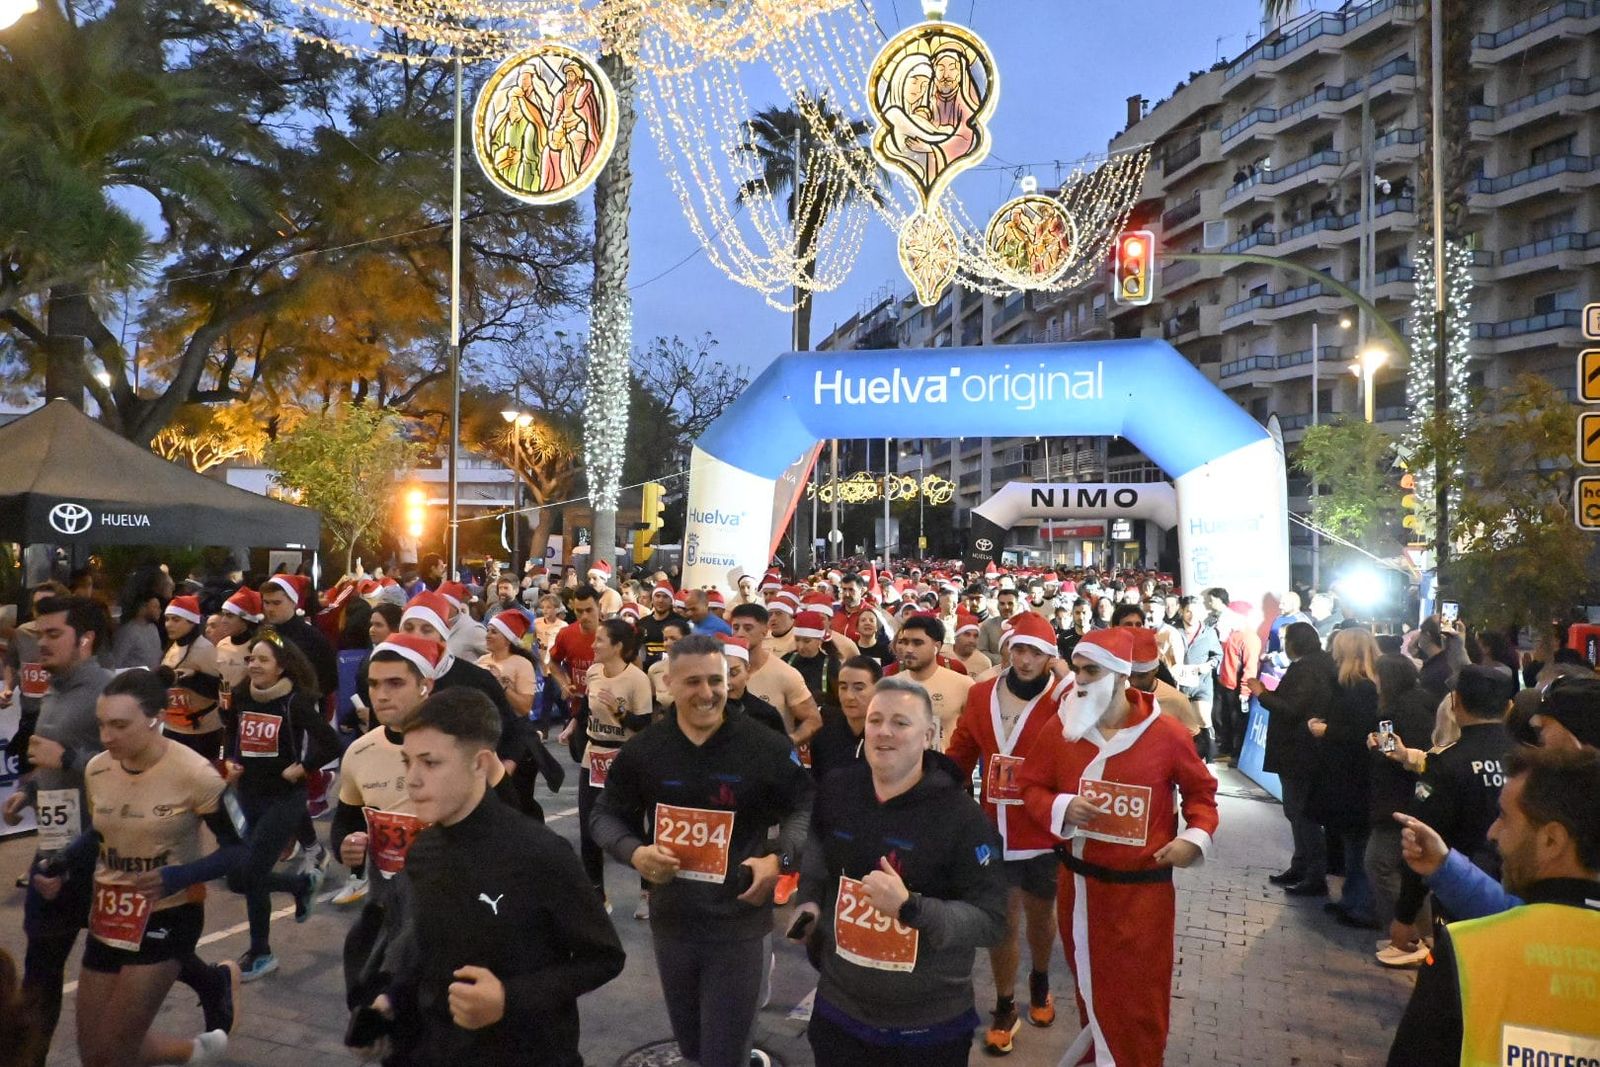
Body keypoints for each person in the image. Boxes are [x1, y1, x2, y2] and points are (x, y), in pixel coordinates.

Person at [368, 689, 625, 1066]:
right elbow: (423, 947)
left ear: (480, 764)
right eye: (407, 762)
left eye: (430, 763)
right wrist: (390, 1001)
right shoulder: (423, 851)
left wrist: (508, 997)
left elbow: (603, 958)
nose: (413, 780)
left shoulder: (540, 853)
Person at [590, 635, 814, 1067]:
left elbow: (806, 807)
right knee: (692, 1047)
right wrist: (635, 853)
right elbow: (605, 816)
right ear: (668, 683)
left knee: (723, 1053)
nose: (707, 692)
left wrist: (779, 859)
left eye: (716, 680)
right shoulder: (645, 750)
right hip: (672, 924)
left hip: (739, 924)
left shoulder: (765, 746)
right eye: (693, 682)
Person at [1018, 628, 1219, 1067]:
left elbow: (1202, 794)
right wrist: (1062, 807)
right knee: (1091, 991)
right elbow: (1030, 785)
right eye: (1077, 669)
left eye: (1092, 671)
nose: (1080, 680)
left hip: (1143, 896)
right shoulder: (1062, 728)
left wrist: (1194, 838)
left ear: (1120, 676)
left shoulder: (1166, 733)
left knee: (1140, 997)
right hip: (1079, 890)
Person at [791, 677, 1008, 1066]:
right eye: (875, 721)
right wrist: (809, 902)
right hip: (839, 1013)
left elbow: (991, 922)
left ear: (929, 736)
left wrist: (911, 908)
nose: (884, 732)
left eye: (900, 723)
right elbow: (818, 860)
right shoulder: (837, 790)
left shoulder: (962, 818)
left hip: (926, 1028)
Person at [46, 670, 248, 1067]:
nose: (106, 737)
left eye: (120, 725)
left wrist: (178, 876)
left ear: (157, 718)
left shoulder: (197, 774)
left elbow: (239, 851)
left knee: (115, 1049)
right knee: (94, 1053)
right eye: (102, 724)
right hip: (109, 915)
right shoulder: (98, 769)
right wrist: (62, 863)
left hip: (168, 916)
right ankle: (197, 1052)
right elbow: (101, 832)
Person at [1386, 747, 1600, 1065]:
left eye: (1504, 817)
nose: (1493, 832)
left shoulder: (1466, 952)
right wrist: (1445, 866)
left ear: (1551, 841)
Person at [944, 612, 1066, 1056]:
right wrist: (935, 788)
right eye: (1019, 649)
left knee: (1041, 917)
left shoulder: (1064, 698)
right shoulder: (981, 694)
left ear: (1050, 657)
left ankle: (1040, 978)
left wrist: (1067, 675)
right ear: (1007, 650)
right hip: (994, 826)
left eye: (1036, 652)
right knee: (1004, 920)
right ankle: (1004, 1003)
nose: (1026, 660)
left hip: (1043, 828)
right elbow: (962, 750)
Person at [2, 596, 116, 1067]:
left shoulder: (108, 693)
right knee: (41, 969)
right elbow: (51, 761)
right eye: (39, 634)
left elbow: (129, 768)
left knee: (131, 961)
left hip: (102, 853)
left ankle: (212, 982)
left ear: (85, 639)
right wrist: (29, 792)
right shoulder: (54, 688)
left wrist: (67, 759)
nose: (41, 644)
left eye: (53, 634)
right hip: (54, 845)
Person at [335, 634, 447, 1005]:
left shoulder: (459, 748)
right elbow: (346, 822)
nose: (380, 695)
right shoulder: (360, 751)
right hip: (385, 912)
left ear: (425, 685)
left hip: (448, 918)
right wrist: (348, 845)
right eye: (373, 684)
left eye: (395, 683)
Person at [226, 632, 340, 980]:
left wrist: (304, 767)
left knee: (253, 872)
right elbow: (231, 732)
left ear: (281, 666)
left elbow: (331, 743)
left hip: (284, 797)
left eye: (263, 659)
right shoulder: (242, 695)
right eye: (251, 659)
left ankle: (261, 953)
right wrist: (230, 760)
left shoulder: (295, 702)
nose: (254, 665)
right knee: (240, 878)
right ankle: (301, 887)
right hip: (248, 794)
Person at [1384, 665, 1515, 967]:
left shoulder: (1447, 763)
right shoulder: (1530, 760)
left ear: (1455, 703)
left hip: (1460, 891)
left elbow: (1421, 839)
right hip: (1518, 894)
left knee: (1458, 972)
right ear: (1509, 707)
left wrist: (1405, 915)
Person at [560, 618, 653, 907]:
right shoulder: (593, 671)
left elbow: (644, 725)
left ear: (618, 646)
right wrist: (572, 726)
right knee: (588, 828)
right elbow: (587, 708)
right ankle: (597, 895)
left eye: (600, 640)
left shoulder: (637, 679)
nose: (593, 645)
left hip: (625, 759)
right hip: (594, 756)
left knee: (632, 828)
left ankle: (647, 890)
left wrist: (619, 711)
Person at [1246, 621, 1338, 897]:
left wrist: (1262, 694)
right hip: (1302, 750)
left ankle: (1313, 873)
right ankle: (1301, 866)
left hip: (1299, 751)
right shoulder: (1317, 665)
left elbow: (1292, 708)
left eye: (1286, 639)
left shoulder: (1307, 669)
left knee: (1301, 813)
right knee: (1297, 812)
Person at [1362, 654, 1438, 934]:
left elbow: (1392, 754)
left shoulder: (1395, 712)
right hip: (1416, 797)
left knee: (1379, 864)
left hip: (1396, 801)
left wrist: (1374, 747)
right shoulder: (1425, 703)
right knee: (1410, 873)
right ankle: (1420, 936)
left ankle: (1408, 935)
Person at [739, 605, 823, 749]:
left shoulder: (785, 672)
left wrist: (788, 743)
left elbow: (813, 719)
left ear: (764, 631)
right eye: (735, 627)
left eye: (748, 628)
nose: (740, 633)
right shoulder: (720, 671)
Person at [889, 615, 974, 751]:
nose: (909, 649)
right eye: (905, 642)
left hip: (945, 762)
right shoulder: (891, 686)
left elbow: (974, 736)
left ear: (936, 647)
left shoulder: (963, 685)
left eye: (917, 643)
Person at [259, 574, 339, 703]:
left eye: (276, 603)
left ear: (293, 602)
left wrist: (304, 701)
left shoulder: (312, 637)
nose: (270, 609)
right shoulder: (264, 634)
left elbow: (329, 680)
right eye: (266, 602)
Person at [807, 656, 881, 777]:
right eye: (843, 687)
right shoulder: (823, 736)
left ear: (878, 690)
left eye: (859, 688)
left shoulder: (887, 737)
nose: (849, 696)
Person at [478, 611, 538, 721]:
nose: (487, 636)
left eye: (494, 632)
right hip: (484, 724)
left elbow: (525, 708)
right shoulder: (482, 660)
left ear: (508, 640)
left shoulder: (522, 664)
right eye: (487, 631)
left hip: (510, 726)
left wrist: (500, 684)